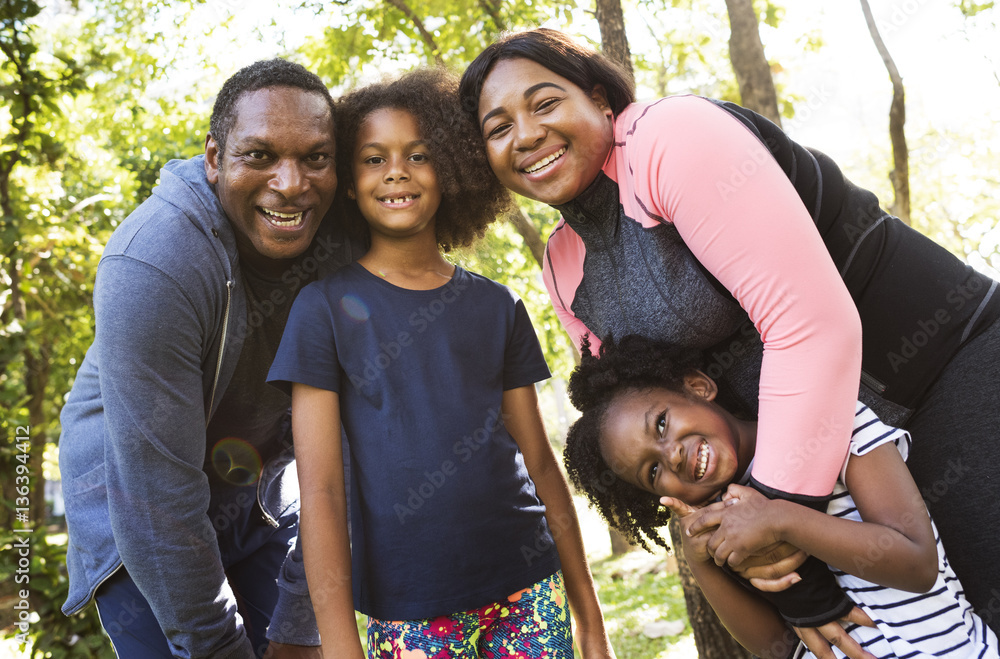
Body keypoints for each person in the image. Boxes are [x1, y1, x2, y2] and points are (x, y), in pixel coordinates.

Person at [459, 27, 1000, 635]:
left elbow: (809, 324)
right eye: (498, 128)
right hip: (829, 479)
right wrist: (796, 582)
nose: (526, 135)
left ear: (600, 100)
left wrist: (776, 531)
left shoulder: (672, 136)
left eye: (544, 102)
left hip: (941, 375)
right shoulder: (561, 266)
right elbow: (637, 419)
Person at [265, 68, 615, 659]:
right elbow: (320, 491)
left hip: (529, 591)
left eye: (418, 154)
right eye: (373, 159)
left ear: (449, 169)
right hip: (408, 613)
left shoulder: (496, 305)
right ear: (349, 183)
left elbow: (541, 465)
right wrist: (341, 644)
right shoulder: (321, 309)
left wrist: (590, 618)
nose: (396, 170)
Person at [57, 59, 361, 658]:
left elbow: (351, 453)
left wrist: (300, 630)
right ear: (215, 159)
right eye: (260, 155)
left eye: (316, 158)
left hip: (260, 503)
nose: (292, 182)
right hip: (136, 520)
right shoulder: (154, 262)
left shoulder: (349, 247)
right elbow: (156, 499)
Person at [562, 333, 999, 659]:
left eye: (661, 424)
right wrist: (701, 562)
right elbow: (779, 651)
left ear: (698, 387)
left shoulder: (829, 424)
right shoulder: (723, 524)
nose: (671, 454)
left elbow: (918, 564)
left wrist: (779, 520)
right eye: (652, 471)